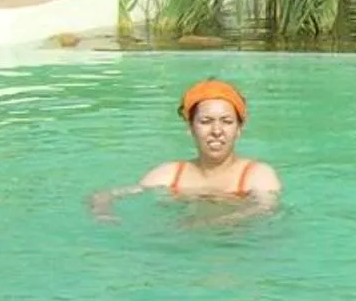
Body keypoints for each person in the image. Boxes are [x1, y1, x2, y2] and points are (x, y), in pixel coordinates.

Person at [92, 78, 281, 217]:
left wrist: (212, 224)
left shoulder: (257, 175)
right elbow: (105, 195)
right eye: (206, 121)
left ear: (239, 129)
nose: (217, 131)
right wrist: (104, 213)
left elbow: (264, 210)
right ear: (190, 128)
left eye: (227, 122)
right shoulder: (170, 175)